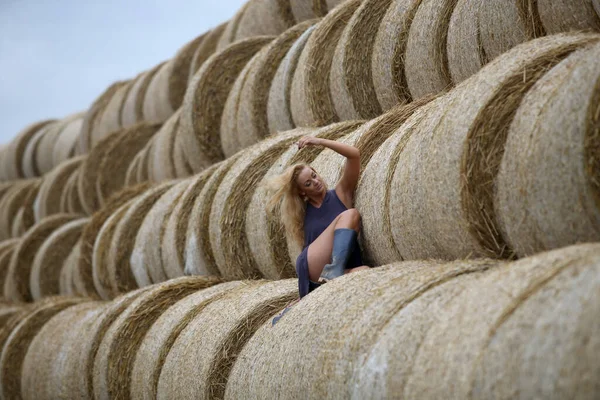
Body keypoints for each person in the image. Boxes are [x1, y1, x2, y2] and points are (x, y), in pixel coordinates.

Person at [267, 136, 370, 308]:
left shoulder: (340, 194)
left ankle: (329, 278)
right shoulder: (305, 215)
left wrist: (320, 142)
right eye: (308, 183)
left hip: (336, 271)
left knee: (365, 273)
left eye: (314, 176)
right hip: (315, 265)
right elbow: (313, 248)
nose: (316, 182)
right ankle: (332, 271)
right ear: (302, 192)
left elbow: (354, 155)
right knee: (350, 214)